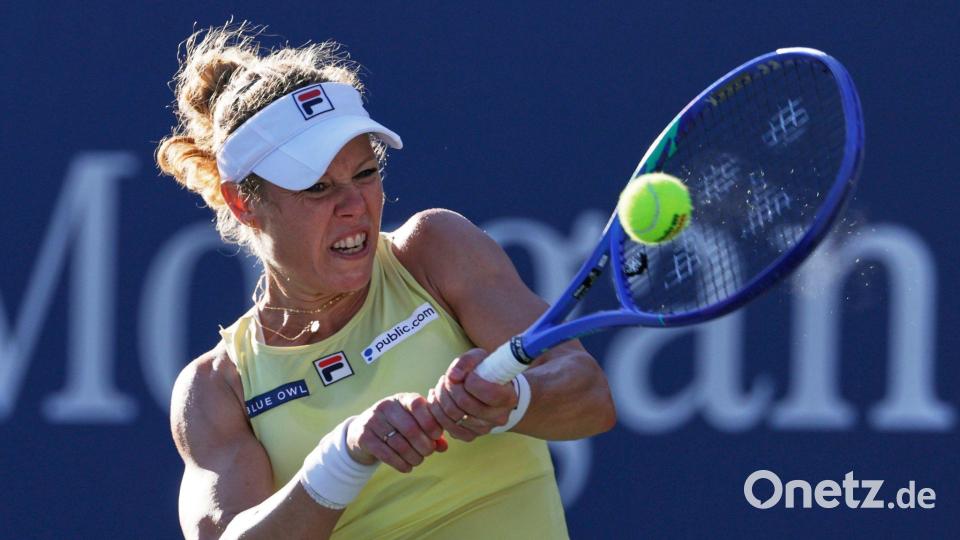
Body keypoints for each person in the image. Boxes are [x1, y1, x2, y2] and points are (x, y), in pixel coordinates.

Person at [158, 23, 615, 540]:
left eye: (365, 173)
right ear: (244, 203)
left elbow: (591, 397)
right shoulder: (217, 388)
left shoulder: (434, 251)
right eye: (318, 187)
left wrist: (513, 401)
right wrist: (343, 457)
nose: (355, 206)